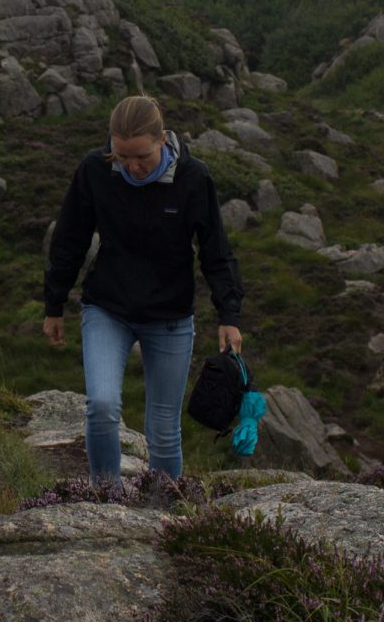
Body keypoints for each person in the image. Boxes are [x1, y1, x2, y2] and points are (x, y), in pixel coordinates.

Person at [42, 95, 243, 483]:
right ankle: (106, 497)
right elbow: (69, 240)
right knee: (101, 405)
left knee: (164, 430)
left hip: (169, 316)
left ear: (162, 141)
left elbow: (216, 251)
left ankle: (164, 513)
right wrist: (55, 303)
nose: (132, 166)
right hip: (107, 307)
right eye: (122, 157)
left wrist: (229, 315)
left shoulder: (193, 178)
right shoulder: (94, 171)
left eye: (142, 157)